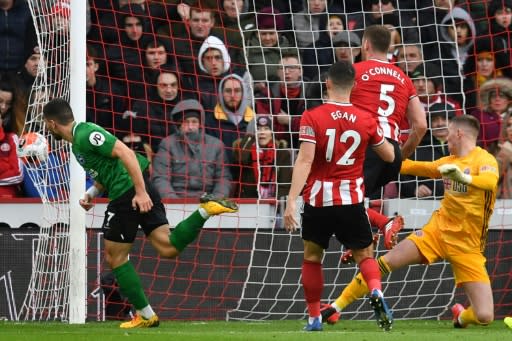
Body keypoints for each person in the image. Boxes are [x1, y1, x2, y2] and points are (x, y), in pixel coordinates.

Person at [42, 98, 239, 328]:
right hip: (136, 188)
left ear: (53, 123)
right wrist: (92, 192)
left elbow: (125, 152)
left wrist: (140, 192)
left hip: (129, 193)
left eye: (46, 124)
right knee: (168, 246)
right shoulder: (77, 143)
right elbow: (107, 170)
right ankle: (205, 211)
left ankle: (146, 315)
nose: (47, 129)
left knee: (115, 257)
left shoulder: (87, 133)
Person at [322, 115, 498, 329]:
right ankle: (335, 308)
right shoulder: (447, 163)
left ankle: (460, 317)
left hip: (468, 246)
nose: (446, 138)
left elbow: (489, 182)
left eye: (449, 132)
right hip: (437, 232)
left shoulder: (485, 160)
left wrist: (463, 178)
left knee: (485, 316)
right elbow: (411, 166)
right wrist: (376, 160)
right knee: (386, 262)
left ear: (459, 134)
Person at [283, 61, 395, 332]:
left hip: (318, 200)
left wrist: (290, 200)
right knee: (364, 254)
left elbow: (305, 160)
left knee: (312, 256)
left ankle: (313, 318)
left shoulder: (312, 116)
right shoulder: (366, 118)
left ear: (328, 83)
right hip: (352, 200)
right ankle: (376, 291)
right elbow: (390, 156)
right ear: (354, 86)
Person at [350, 25, 427, 251]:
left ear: (365, 45)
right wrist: (400, 156)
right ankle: (359, 241)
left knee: (332, 198)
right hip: (390, 152)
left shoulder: (355, 71)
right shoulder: (404, 79)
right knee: (353, 202)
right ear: (390, 47)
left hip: (363, 148)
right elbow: (421, 125)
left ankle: (384, 223)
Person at [151, 99, 232, 198]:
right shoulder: (167, 144)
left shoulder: (216, 145)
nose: (190, 127)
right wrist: (174, 203)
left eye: (194, 122)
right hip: (176, 201)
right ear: (179, 124)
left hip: (208, 201)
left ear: (200, 123)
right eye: (186, 122)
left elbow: (223, 179)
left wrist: (215, 202)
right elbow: (160, 178)